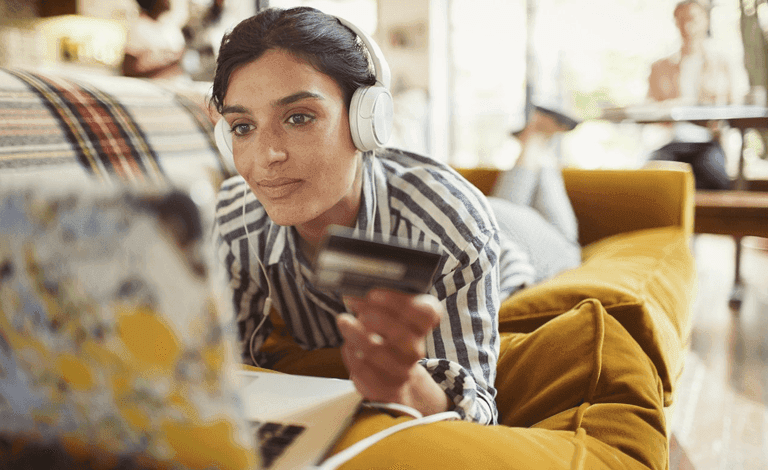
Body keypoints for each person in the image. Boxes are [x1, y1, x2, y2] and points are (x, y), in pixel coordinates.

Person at [209, 7, 574, 424]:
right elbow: (226, 367)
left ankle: (536, 145)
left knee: (548, 223)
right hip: (469, 212)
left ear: (367, 120)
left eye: (298, 118)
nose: (267, 156)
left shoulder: (454, 225)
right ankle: (535, 146)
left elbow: (478, 411)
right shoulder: (236, 217)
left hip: (527, 246)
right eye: (242, 127)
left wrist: (411, 386)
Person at [646, 0, 749, 190]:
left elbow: (737, 106)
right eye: (681, 20)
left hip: (709, 142)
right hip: (672, 142)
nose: (687, 26)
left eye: (692, 19)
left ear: (706, 21)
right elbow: (649, 109)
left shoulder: (724, 64)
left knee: (715, 175)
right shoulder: (660, 67)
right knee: (650, 179)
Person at [489, 103, 582, 284]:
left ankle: (534, 140)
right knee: (502, 208)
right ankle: (535, 140)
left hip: (507, 231)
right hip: (557, 253)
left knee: (501, 209)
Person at [122, 0, 187, 80]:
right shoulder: (138, 28)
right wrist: (167, 68)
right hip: (152, 86)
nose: (167, 1)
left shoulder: (169, 26)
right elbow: (128, 71)